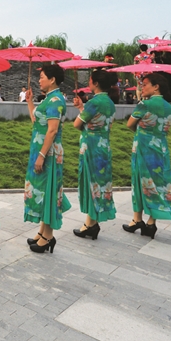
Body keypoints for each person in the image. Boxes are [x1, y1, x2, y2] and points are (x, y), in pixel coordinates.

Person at [122, 73, 171, 238]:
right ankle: (151, 222)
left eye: (145, 84)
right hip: (161, 149)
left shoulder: (144, 104)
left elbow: (130, 124)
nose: (142, 87)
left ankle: (137, 219)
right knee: (157, 184)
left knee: (139, 181)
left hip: (144, 148)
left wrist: (141, 131)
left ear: (156, 87)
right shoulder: (170, 108)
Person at [24, 64, 71, 253]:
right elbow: (37, 122)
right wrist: (29, 102)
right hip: (41, 149)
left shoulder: (55, 100)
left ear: (52, 80)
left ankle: (48, 236)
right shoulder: (49, 99)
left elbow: (52, 130)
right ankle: (43, 231)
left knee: (49, 190)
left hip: (49, 153)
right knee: (43, 189)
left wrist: (42, 155)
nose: (39, 80)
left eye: (42, 77)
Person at [71, 70, 118, 240]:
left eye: (90, 80)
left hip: (90, 146)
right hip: (104, 145)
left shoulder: (94, 102)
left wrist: (81, 111)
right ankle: (91, 222)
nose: (89, 82)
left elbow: (77, 124)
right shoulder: (110, 102)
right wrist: (81, 108)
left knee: (90, 182)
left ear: (96, 83)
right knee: (99, 183)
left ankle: (90, 224)